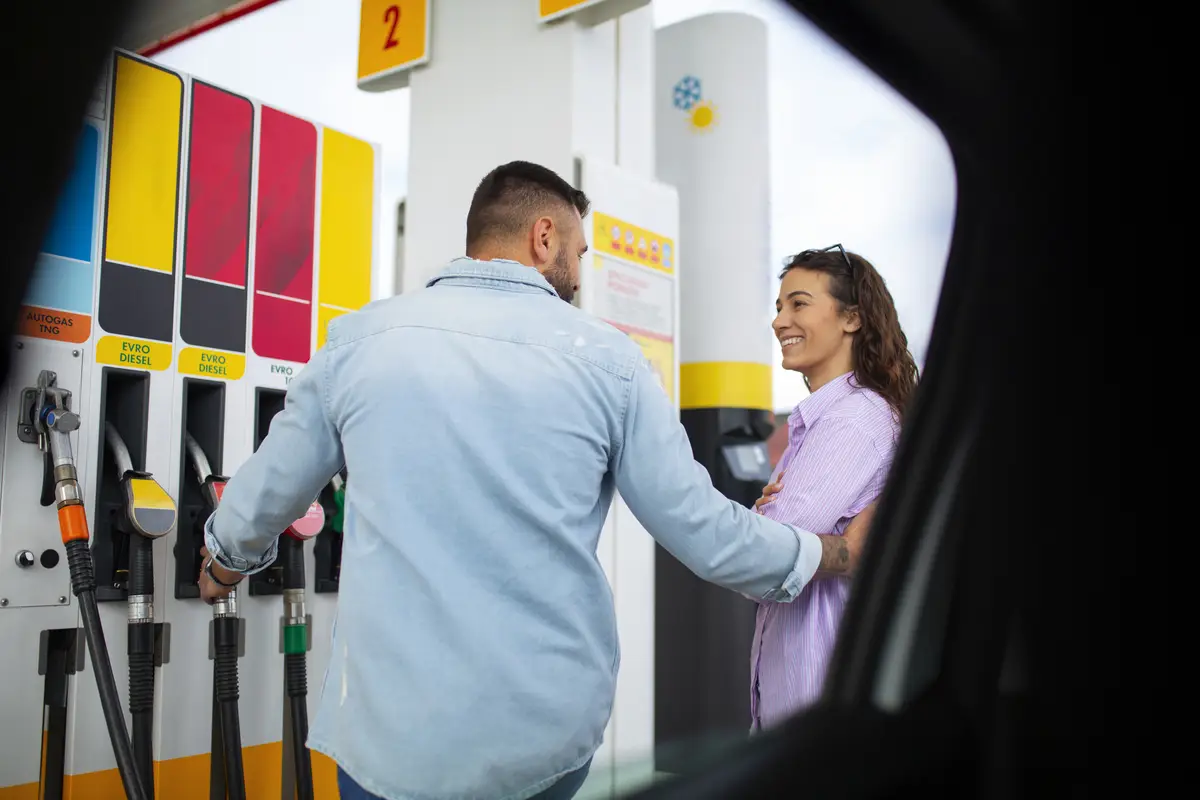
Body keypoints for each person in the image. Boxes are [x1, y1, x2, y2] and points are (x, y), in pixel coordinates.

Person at [197, 161, 870, 800]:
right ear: (543, 236)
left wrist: (225, 563)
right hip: (542, 736)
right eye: (577, 252)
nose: (577, 273)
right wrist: (834, 552)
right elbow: (703, 529)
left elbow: (268, 487)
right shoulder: (610, 362)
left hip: (391, 739)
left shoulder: (360, 341)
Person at [749, 244, 919, 732]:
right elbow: (770, 537)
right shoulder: (823, 421)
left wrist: (765, 526)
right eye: (779, 307)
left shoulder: (853, 419)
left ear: (852, 319)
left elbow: (762, 558)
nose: (780, 321)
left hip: (817, 694)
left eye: (798, 304)